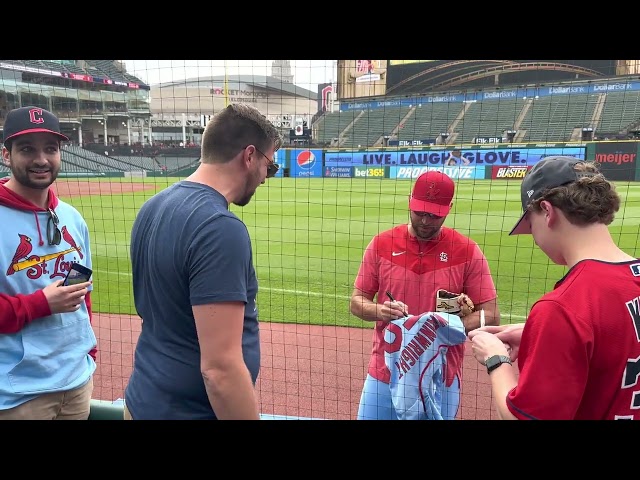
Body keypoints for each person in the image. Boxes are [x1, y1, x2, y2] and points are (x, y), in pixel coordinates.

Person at [124, 103, 282, 420]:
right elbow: (220, 370)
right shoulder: (220, 228)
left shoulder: (152, 207)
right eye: (270, 166)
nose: (266, 177)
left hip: (143, 400)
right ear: (249, 156)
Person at [469, 156, 640, 420]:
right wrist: (538, 334)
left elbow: (521, 418)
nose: (534, 238)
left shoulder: (563, 306)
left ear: (547, 211)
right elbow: (617, 334)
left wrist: (495, 359)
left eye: (531, 224)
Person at [350, 170, 500, 420]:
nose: (426, 221)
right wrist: (379, 310)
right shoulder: (381, 244)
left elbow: (492, 314)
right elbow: (356, 302)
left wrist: (446, 326)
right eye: (420, 212)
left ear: (449, 208)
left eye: (435, 215)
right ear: (409, 200)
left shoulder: (466, 250)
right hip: (385, 370)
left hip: (441, 375)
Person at [0, 106, 96, 420]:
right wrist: (41, 303)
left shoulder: (71, 217)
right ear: (6, 154)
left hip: (76, 381)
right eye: (27, 149)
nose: (41, 159)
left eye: (50, 149)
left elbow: (83, 292)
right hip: (18, 394)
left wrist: (88, 351)